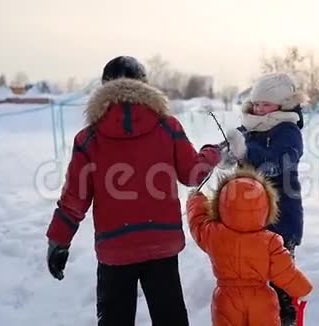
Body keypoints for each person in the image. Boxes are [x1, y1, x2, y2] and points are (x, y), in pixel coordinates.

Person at [45, 55, 223, 326]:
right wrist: (211, 153)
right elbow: (192, 174)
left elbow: (74, 199)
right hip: (161, 244)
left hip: (115, 248)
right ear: (146, 87)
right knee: (170, 318)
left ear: (104, 88)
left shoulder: (89, 138)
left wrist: (58, 241)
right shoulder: (168, 126)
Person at [227, 72, 308, 325]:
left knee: (281, 276)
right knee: (255, 279)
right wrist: (219, 154)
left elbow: (278, 163)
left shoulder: (288, 131)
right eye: (257, 103)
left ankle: (287, 318)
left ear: (283, 104)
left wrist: (246, 151)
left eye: (266, 104)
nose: (260, 108)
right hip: (250, 220)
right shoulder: (250, 127)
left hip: (282, 218)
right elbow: (228, 148)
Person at [187, 166, 312, 326]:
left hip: (226, 300)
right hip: (262, 301)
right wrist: (302, 289)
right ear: (266, 208)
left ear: (220, 206)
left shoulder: (213, 235)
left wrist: (196, 200)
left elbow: (197, 222)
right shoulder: (270, 241)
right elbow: (285, 272)